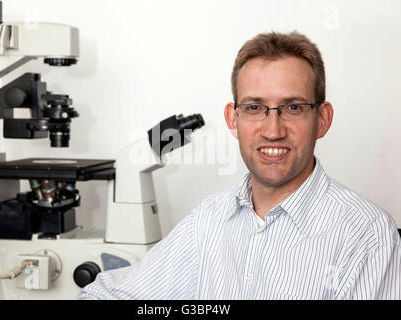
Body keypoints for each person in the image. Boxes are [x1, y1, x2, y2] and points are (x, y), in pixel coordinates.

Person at [78, 31, 401, 300]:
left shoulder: (367, 236)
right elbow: (113, 295)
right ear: (234, 119)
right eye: (255, 107)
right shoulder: (208, 221)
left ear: (322, 119)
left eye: (292, 107)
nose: (273, 130)